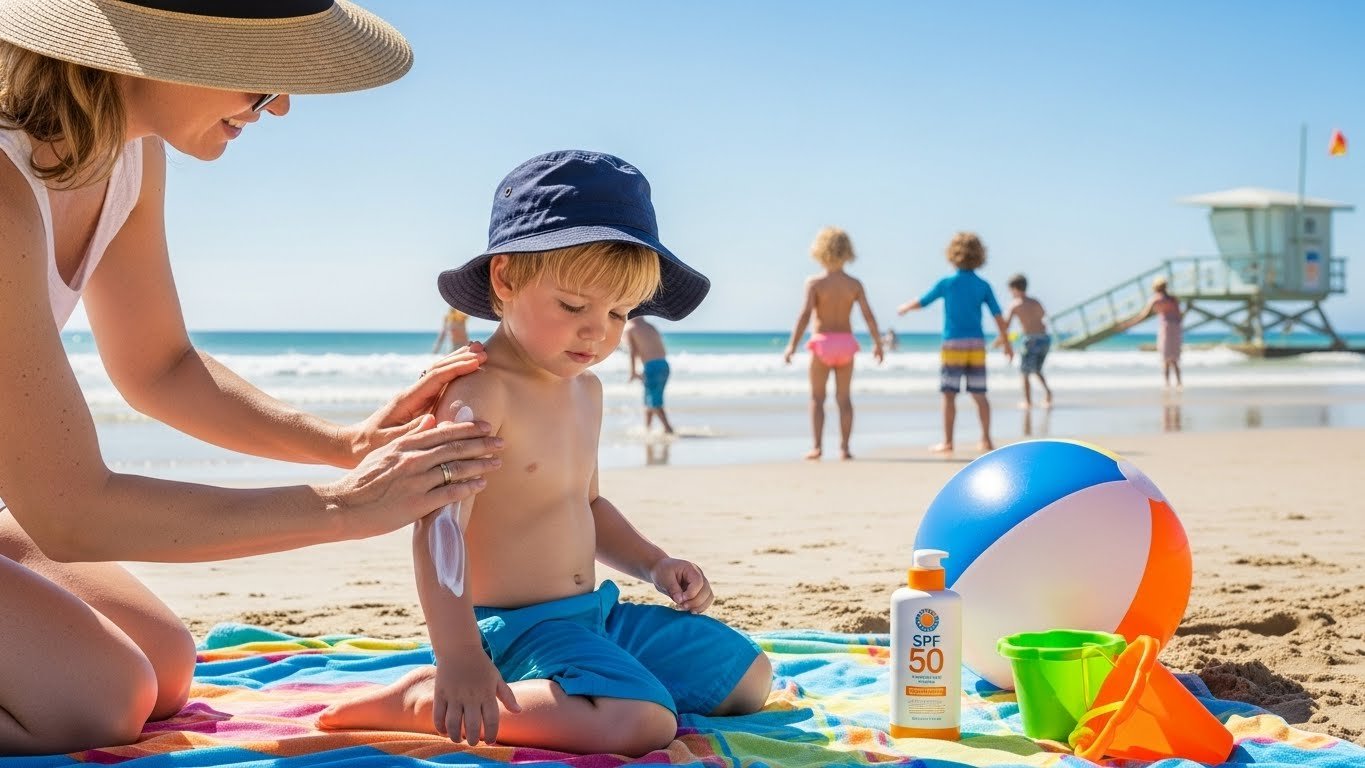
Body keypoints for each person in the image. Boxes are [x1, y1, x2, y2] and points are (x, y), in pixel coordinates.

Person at [0, 2, 504, 754]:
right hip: (57, 512)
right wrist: (342, 509)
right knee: (100, 699)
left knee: (166, 665)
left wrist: (347, 445)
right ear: (162, 50)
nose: (282, 104)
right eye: (263, 78)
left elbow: (160, 366)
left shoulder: (127, 155)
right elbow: (69, 513)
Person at [318, 151, 772, 755]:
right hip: (512, 629)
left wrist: (655, 564)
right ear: (505, 280)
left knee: (747, 678)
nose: (599, 332)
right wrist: (458, 657)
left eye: (619, 313)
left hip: (594, 615)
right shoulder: (483, 392)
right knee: (642, 724)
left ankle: (583, 689)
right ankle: (427, 700)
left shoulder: (587, 390)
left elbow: (586, 503)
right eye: (573, 306)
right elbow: (440, 532)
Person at [898, 232, 1013, 453]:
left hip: (953, 344)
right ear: (980, 255)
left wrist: (904, 307)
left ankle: (948, 441)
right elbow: (998, 316)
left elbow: (923, 301)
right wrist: (1006, 343)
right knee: (979, 394)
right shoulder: (983, 285)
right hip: (976, 345)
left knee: (949, 394)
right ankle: (986, 440)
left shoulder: (947, 283)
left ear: (952, 254)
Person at [782, 227, 884, 460]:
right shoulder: (854, 284)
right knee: (844, 399)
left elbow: (805, 315)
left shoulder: (815, 282)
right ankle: (845, 448)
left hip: (822, 343)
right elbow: (869, 315)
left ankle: (817, 447)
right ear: (848, 251)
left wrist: (791, 346)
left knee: (817, 399)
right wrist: (878, 343)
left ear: (819, 250)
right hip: (846, 343)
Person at [1000, 273, 1053, 408]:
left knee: (1024, 372)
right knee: (1037, 369)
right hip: (1044, 339)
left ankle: (1028, 401)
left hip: (1030, 340)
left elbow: (1005, 326)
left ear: (1015, 289)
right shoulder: (1035, 302)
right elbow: (1042, 316)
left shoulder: (1015, 305)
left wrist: (1002, 340)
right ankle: (1048, 394)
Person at [1123, 276, 1184, 388]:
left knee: (1165, 358)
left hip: (1166, 328)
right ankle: (1179, 383)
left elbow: (1143, 315)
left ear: (1155, 288)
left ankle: (1167, 384)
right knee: (1174, 358)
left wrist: (1128, 324)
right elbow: (1180, 316)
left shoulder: (1156, 299)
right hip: (1176, 329)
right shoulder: (1173, 299)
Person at [623, 316, 674, 434]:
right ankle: (647, 429)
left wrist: (632, 372)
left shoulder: (630, 328)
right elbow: (659, 349)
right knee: (649, 400)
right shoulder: (650, 327)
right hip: (664, 364)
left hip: (652, 367)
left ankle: (668, 429)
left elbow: (632, 353)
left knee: (654, 402)